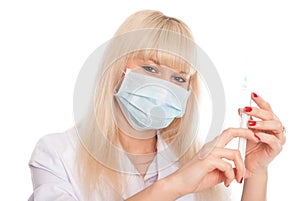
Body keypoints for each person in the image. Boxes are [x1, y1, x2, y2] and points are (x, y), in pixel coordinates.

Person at [28, 10, 286, 201]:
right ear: (117, 69)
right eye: (150, 68)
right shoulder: (58, 154)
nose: (164, 88)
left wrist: (256, 172)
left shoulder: (195, 160)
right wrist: (175, 185)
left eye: (178, 78)